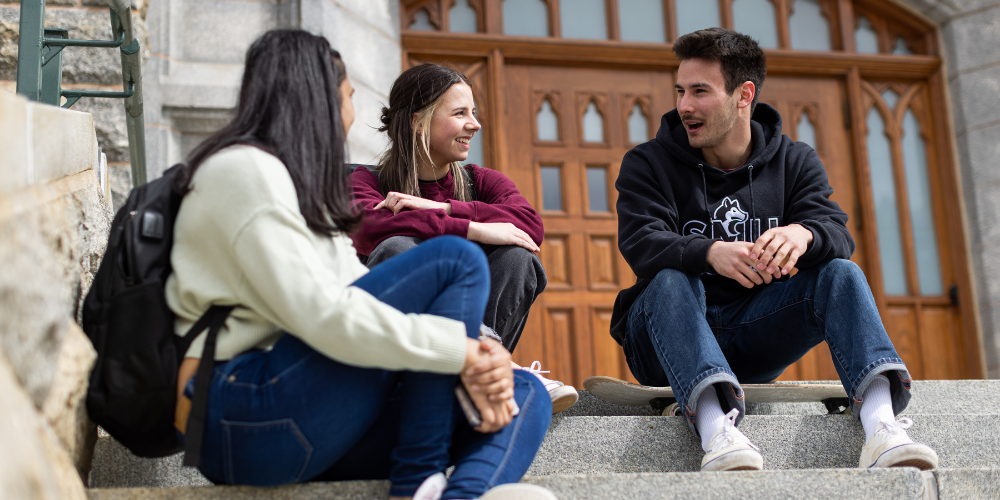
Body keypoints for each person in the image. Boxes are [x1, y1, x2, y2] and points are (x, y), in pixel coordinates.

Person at [166, 30, 557, 500]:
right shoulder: (246, 171)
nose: (353, 115)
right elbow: (327, 316)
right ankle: (418, 477)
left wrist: (472, 353)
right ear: (317, 97)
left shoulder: (296, 184)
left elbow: (350, 293)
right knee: (454, 260)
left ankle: (455, 493)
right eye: (349, 97)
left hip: (314, 419)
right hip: (241, 408)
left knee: (525, 396)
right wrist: (462, 351)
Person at [611, 28, 939, 472]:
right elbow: (640, 243)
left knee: (840, 272)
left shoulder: (794, 160)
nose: (684, 105)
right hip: (662, 339)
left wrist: (804, 234)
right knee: (670, 278)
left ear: (743, 95)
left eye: (700, 91)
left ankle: (881, 426)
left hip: (753, 334)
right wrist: (710, 253)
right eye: (681, 91)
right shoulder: (648, 163)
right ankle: (716, 429)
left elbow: (836, 233)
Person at [350, 63, 578, 413]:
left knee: (519, 257)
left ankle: (474, 371)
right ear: (417, 121)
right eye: (460, 113)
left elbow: (529, 227)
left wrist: (443, 209)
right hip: (395, 351)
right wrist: (474, 229)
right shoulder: (365, 182)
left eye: (473, 112)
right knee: (397, 248)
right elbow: (369, 227)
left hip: (456, 350)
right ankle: (494, 363)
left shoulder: (483, 182)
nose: (475, 124)